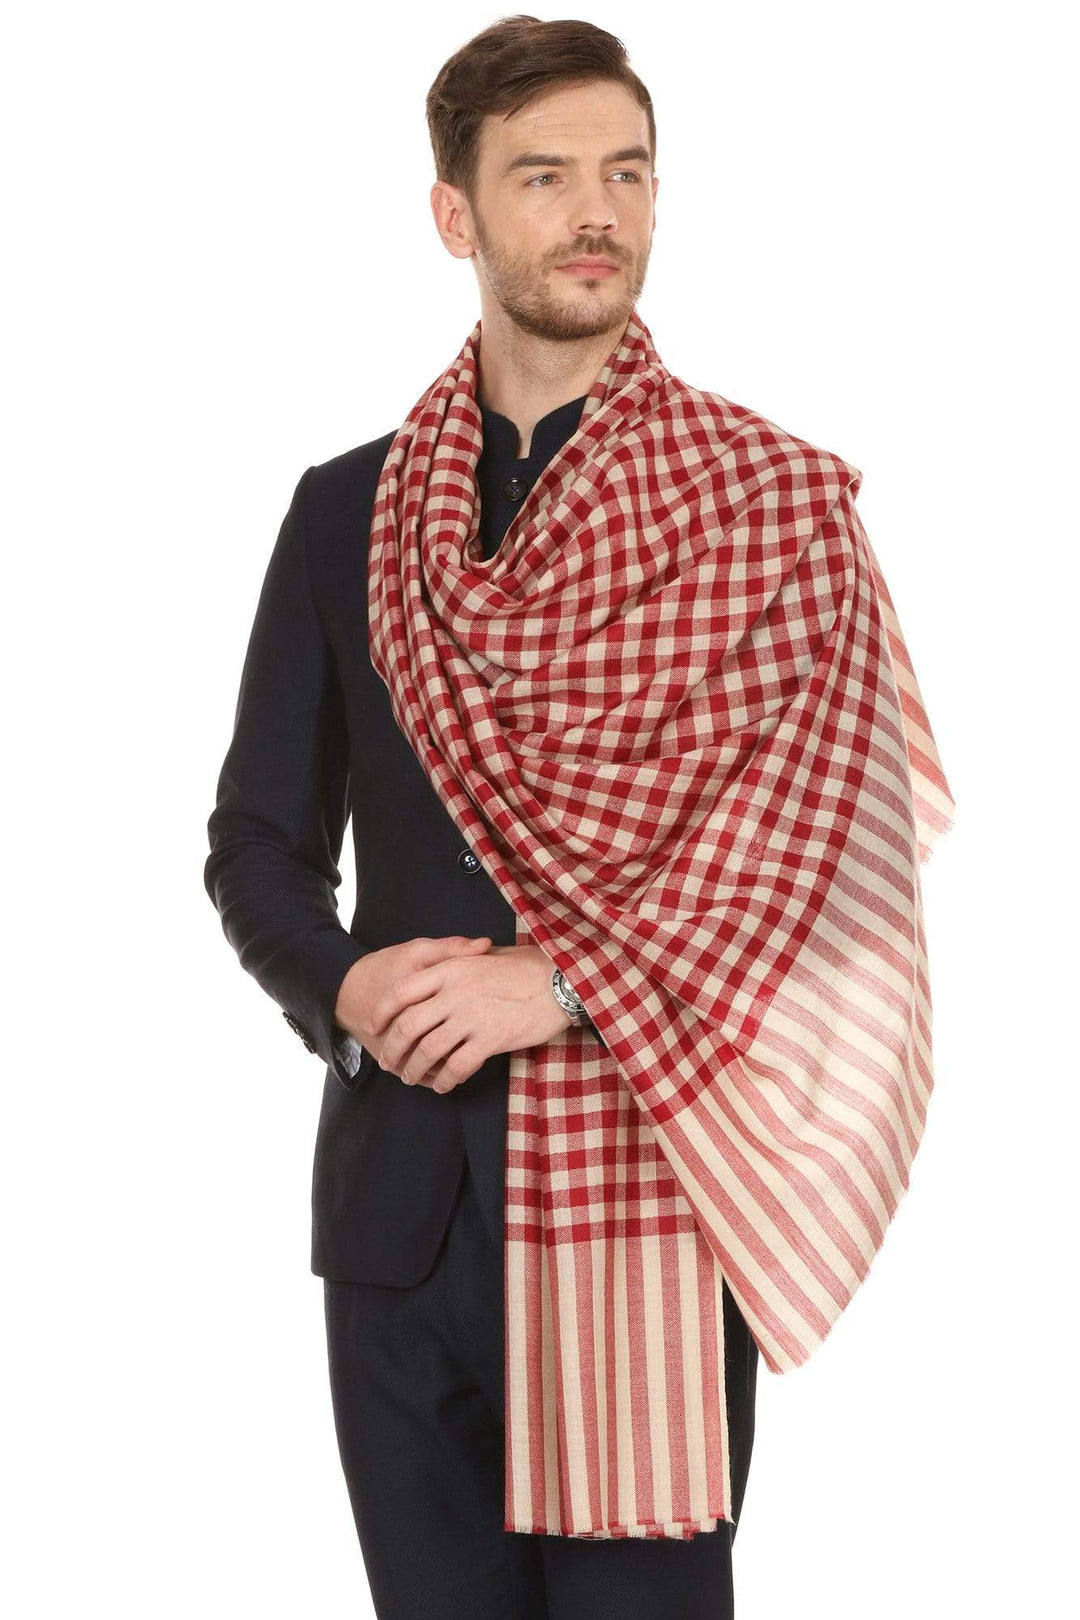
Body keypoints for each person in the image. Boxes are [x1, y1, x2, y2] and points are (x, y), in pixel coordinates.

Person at [205, 16, 953, 1620]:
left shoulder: (768, 507)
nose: (596, 211)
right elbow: (257, 844)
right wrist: (344, 991)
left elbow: (832, 877)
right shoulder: (346, 511)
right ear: (455, 215)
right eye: (544, 177)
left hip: (649, 1202)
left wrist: (556, 984)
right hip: (400, 1213)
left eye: (627, 172)